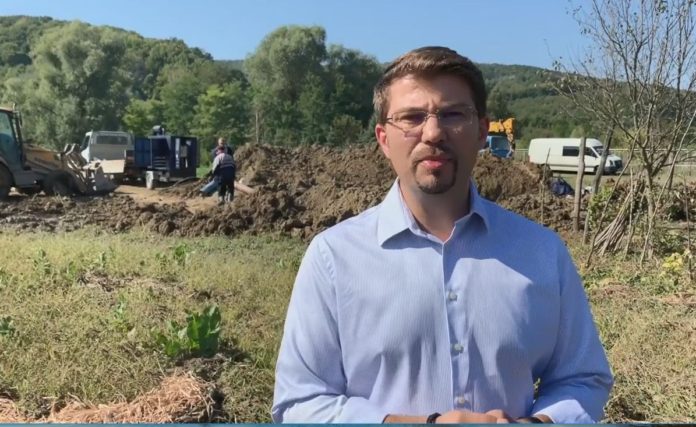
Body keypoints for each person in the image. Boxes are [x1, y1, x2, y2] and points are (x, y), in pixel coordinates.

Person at [272, 46, 613, 424]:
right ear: (384, 139)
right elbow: (300, 402)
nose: (433, 133)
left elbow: (582, 379)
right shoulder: (333, 258)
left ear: (482, 131)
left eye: (453, 114)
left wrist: (535, 424)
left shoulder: (542, 252)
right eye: (412, 117)